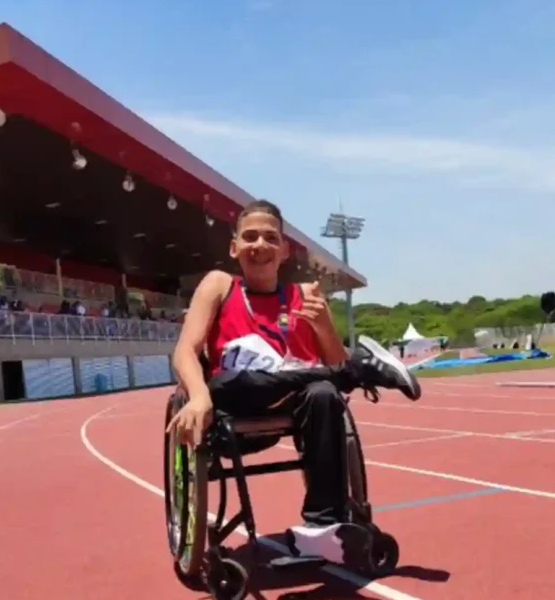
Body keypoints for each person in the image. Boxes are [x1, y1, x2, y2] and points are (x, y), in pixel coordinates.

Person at [168, 198, 422, 568]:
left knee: (324, 391)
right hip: (234, 398)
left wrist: (322, 327)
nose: (260, 245)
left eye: (270, 238)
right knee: (238, 380)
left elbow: (332, 366)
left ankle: (321, 529)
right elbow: (184, 351)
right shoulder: (219, 285)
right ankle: (366, 369)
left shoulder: (306, 296)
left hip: (294, 402)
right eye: (250, 237)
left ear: (284, 250)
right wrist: (198, 397)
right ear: (234, 246)